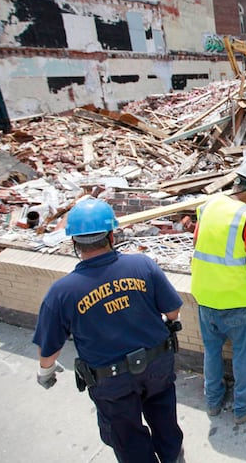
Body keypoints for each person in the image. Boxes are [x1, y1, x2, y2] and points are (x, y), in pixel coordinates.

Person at [33, 198, 184, 463]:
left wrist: (46, 372)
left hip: (112, 382)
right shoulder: (143, 266)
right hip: (157, 365)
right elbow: (172, 312)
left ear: (74, 243)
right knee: (165, 422)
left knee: (128, 440)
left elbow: (49, 348)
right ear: (112, 235)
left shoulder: (62, 293)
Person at [191, 161, 246, 422]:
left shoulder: (208, 205)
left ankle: (213, 401)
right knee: (242, 353)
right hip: (234, 298)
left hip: (204, 294)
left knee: (212, 350)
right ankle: (243, 408)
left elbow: (197, 243)